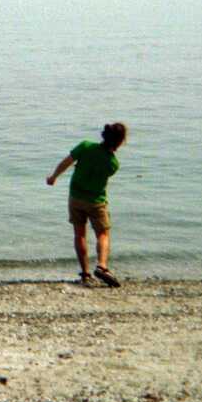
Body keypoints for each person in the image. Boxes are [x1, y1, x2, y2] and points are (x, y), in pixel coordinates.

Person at [46, 123, 128, 288]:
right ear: (119, 142)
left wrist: (54, 176)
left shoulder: (85, 146)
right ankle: (102, 266)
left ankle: (85, 274)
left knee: (80, 234)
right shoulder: (113, 163)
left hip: (76, 198)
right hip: (97, 201)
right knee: (103, 234)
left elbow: (66, 162)